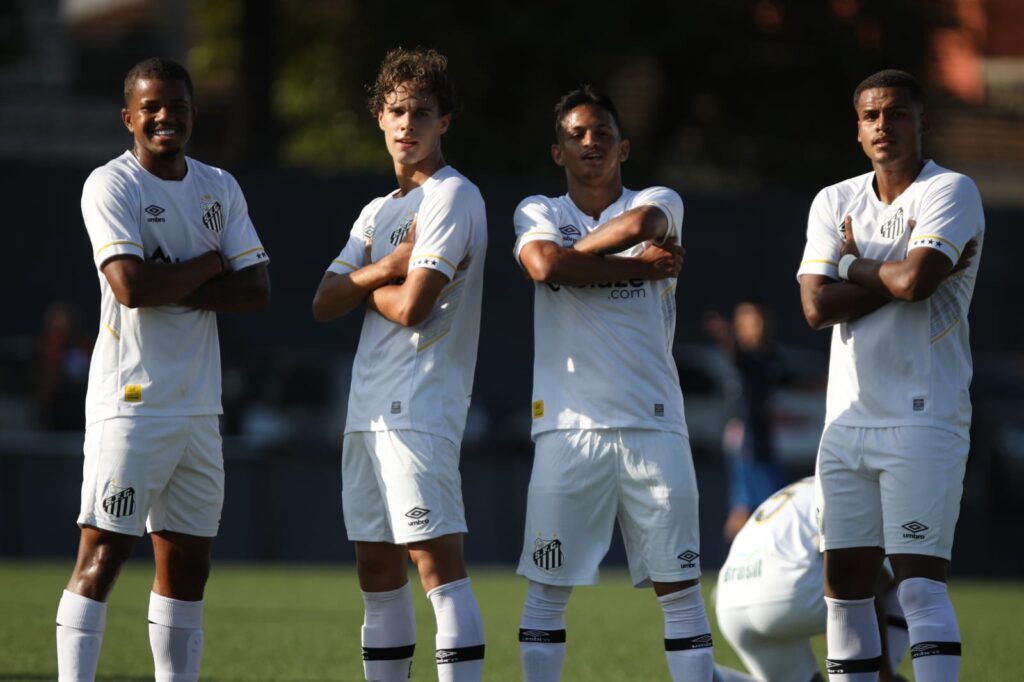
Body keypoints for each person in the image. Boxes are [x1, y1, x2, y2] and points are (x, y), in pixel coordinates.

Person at [57, 57, 271, 682]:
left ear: (191, 113)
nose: (164, 117)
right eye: (150, 107)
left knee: (189, 568)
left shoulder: (219, 186)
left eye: (176, 106)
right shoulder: (111, 185)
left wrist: (173, 276)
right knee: (104, 555)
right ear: (129, 117)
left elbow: (256, 286)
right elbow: (128, 284)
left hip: (199, 408)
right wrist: (209, 264)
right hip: (132, 404)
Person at [513, 85, 713, 681]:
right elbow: (544, 265)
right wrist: (633, 266)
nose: (590, 143)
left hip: (655, 424)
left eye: (601, 133)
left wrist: (576, 260)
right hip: (566, 430)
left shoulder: (658, 199)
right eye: (576, 135)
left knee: (680, 593)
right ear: (558, 152)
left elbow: (643, 223)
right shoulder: (536, 210)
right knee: (546, 593)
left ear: (623, 146)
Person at [797, 69, 983, 681]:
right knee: (843, 590)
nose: (884, 126)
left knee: (919, 588)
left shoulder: (950, 191)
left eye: (898, 113)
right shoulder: (833, 199)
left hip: (923, 419)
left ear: (920, 122)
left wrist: (850, 260)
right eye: (872, 116)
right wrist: (887, 272)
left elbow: (917, 282)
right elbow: (816, 307)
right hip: (846, 423)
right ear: (857, 129)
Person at [312, 48, 487, 682]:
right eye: (395, 110)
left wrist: (366, 283)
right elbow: (323, 302)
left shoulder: (453, 196)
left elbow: (414, 308)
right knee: (376, 570)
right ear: (378, 119)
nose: (406, 123)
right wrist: (387, 266)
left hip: (419, 406)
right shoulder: (376, 212)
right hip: (367, 410)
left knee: (435, 564)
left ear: (445, 122)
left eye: (420, 111)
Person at [714, 478, 909, 682]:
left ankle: (707, 674)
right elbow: (861, 586)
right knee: (904, 580)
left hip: (730, 596)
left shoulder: (824, 479)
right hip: (790, 590)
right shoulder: (865, 488)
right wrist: (884, 675)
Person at [704, 301, 788, 541]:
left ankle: (732, 565)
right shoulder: (743, 356)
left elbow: (787, 378)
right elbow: (735, 354)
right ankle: (736, 564)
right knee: (769, 502)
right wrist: (725, 336)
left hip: (761, 436)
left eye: (758, 320)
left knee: (743, 506)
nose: (755, 326)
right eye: (748, 321)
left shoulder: (769, 355)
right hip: (746, 439)